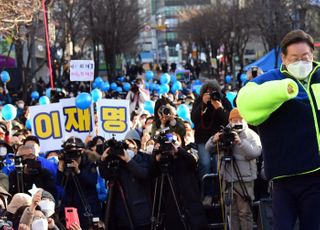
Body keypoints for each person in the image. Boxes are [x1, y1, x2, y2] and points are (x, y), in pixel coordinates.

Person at [237, 29, 320, 230]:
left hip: (316, 175)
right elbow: (245, 102)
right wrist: (284, 89)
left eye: (305, 57)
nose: (301, 62)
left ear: (312, 55)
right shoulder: (270, 79)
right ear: (283, 58)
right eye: (295, 58)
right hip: (283, 179)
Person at [205, 108, 262, 230]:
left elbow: (255, 153)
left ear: (244, 120)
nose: (236, 122)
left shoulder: (251, 135)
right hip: (227, 179)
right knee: (231, 213)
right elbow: (208, 149)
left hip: (245, 180)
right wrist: (213, 140)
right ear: (230, 121)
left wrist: (240, 142)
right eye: (234, 120)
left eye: (239, 119)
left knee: (245, 213)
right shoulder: (224, 133)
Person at [98, 133, 152, 230]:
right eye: (125, 146)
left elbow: (142, 173)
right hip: (121, 215)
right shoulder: (118, 162)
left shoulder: (144, 158)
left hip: (140, 215)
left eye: (130, 146)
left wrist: (128, 159)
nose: (126, 150)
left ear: (137, 147)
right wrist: (103, 160)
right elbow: (105, 175)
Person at [191, 80, 231, 205]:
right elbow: (194, 118)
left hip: (219, 139)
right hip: (203, 140)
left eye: (213, 92)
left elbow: (228, 120)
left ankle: (221, 195)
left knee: (219, 166)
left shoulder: (222, 100)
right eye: (207, 92)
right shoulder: (199, 100)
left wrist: (219, 107)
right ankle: (207, 194)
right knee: (205, 163)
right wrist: (203, 103)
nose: (210, 95)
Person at [57, 136, 101, 229]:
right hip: (70, 206)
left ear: (82, 151)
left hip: (87, 206)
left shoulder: (90, 163)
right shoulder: (64, 164)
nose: (73, 155)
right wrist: (60, 167)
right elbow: (60, 183)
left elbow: (93, 181)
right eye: (70, 152)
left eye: (75, 152)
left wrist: (78, 171)